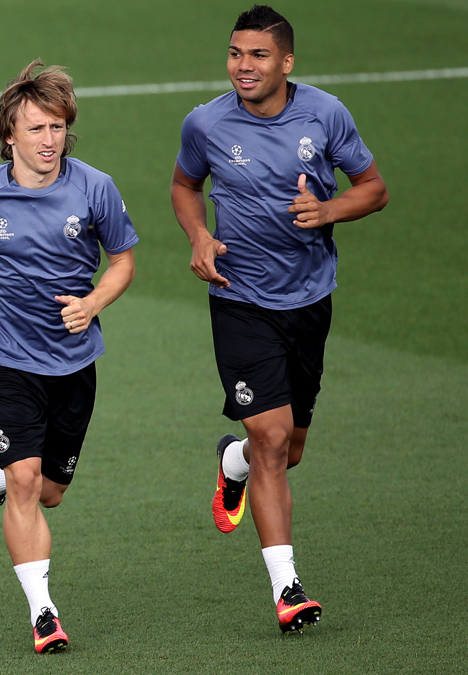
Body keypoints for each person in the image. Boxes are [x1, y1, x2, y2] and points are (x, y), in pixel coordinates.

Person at [170, 5, 388, 633]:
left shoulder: (325, 114)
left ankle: (232, 463)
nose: (243, 66)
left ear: (286, 62)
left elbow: (373, 187)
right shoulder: (205, 122)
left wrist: (329, 210)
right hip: (239, 300)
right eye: (236, 54)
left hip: (309, 300)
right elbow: (185, 187)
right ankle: (287, 587)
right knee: (271, 438)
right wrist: (198, 237)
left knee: (286, 449)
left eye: (258, 55)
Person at [0, 60, 138, 654]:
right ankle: (43, 612)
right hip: (4, 358)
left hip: (73, 361)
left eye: (58, 128)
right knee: (25, 480)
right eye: (36, 129)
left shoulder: (95, 186)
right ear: (9, 134)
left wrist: (92, 302)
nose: (49, 141)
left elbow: (122, 260)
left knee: (48, 491)